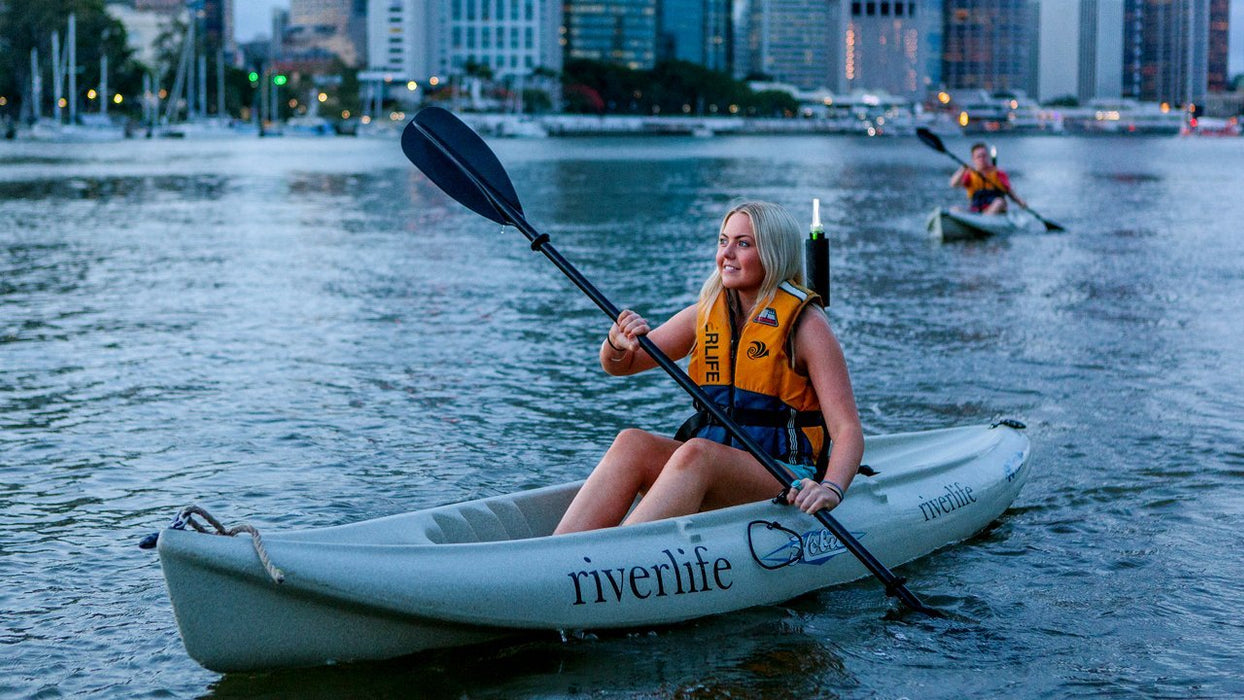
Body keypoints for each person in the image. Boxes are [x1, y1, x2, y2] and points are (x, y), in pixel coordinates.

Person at [553, 201, 864, 535]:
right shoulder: (704, 315)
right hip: (715, 464)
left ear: (774, 253)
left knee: (698, 453)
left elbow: (847, 430)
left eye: (743, 243)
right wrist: (616, 341)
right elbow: (622, 365)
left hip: (785, 474)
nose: (727, 253)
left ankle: (614, 559)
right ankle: (560, 552)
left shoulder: (806, 325)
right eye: (723, 241)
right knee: (632, 444)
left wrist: (830, 488)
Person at [950, 142, 1026, 215]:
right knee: (955, 209)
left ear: (988, 157)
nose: (982, 159)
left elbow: (1010, 192)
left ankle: (985, 218)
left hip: (997, 211)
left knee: (999, 202)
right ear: (973, 159)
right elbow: (953, 184)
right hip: (976, 211)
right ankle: (980, 219)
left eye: (984, 156)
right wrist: (963, 168)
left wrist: (1020, 203)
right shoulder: (970, 175)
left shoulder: (999, 173)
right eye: (979, 156)